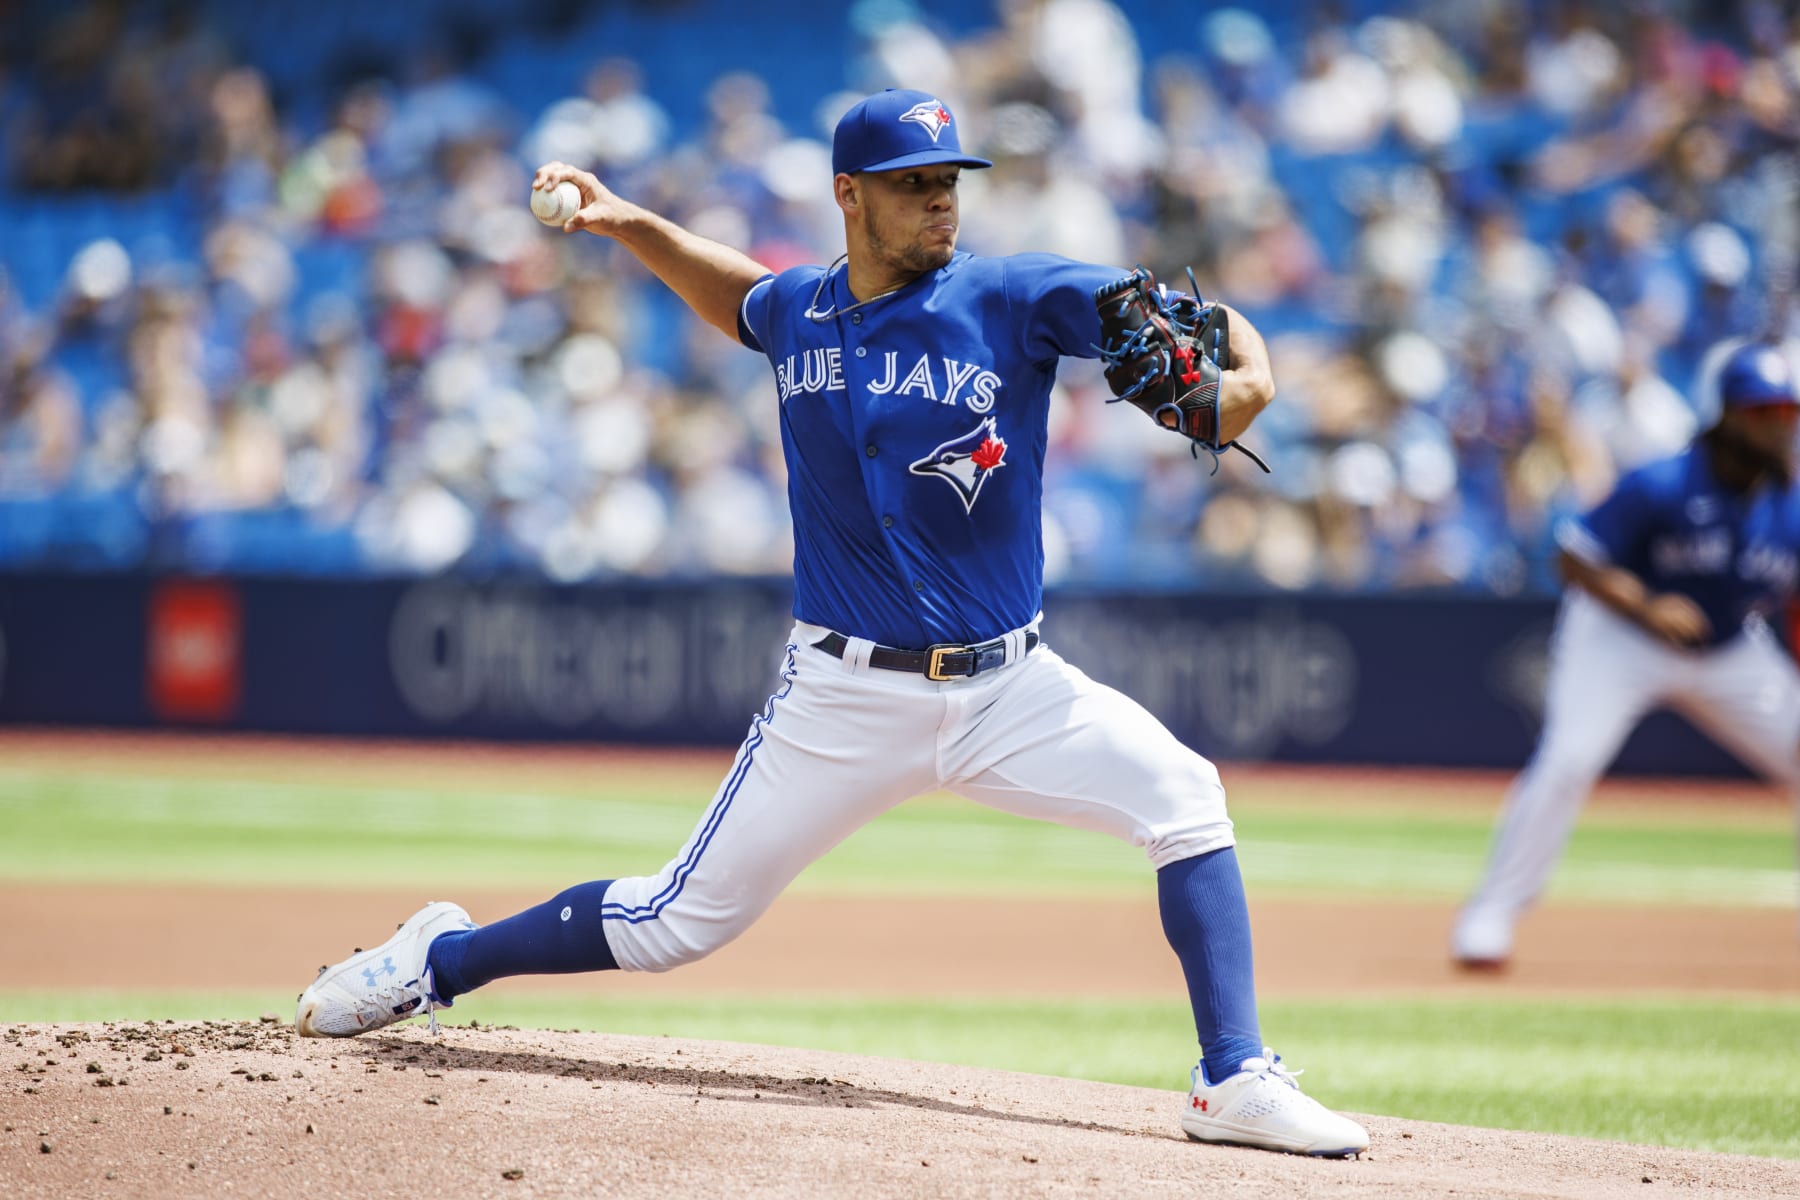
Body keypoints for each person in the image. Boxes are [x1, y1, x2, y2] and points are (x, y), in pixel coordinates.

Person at [296, 88, 1369, 1158]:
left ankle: (1232, 1076)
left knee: (1185, 795)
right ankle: (438, 962)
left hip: (1011, 690)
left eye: (949, 182)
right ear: (849, 195)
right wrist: (624, 221)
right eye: (914, 187)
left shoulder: (1016, 295)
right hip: (844, 696)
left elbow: (1200, 332)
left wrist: (1249, 374)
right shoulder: (803, 312)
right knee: (675, 922)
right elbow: (744, 300)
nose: (941, 204)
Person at [1454, 340, 1800, 969]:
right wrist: (1647, 607)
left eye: (1787, 412)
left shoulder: (1791, 505)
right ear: (1727, 415)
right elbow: (1574, 557)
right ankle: (1491, 914)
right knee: (1568, 759)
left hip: (1728, 653)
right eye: (1763, 412)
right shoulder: (1663, 481)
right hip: (1620, 639)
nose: (1779, 426)